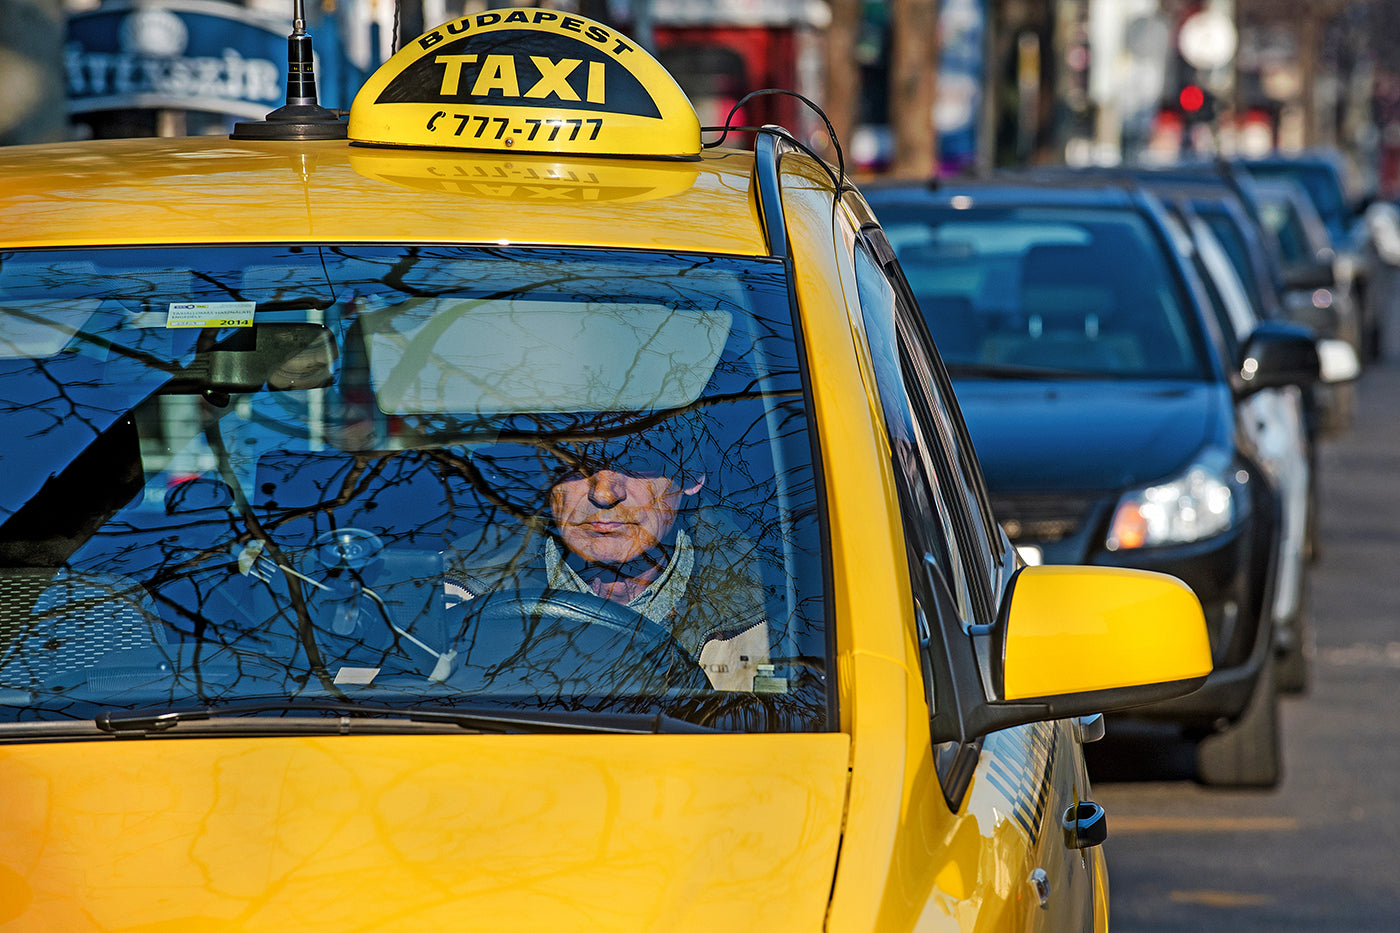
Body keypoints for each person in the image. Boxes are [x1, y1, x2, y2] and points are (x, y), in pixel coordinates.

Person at [443, 413, 770, 692]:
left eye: (637, 460)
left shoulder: (778, 605)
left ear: (691, 475)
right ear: (545, 473)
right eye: (575, 458)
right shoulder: (454, 592)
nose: (603, 493)